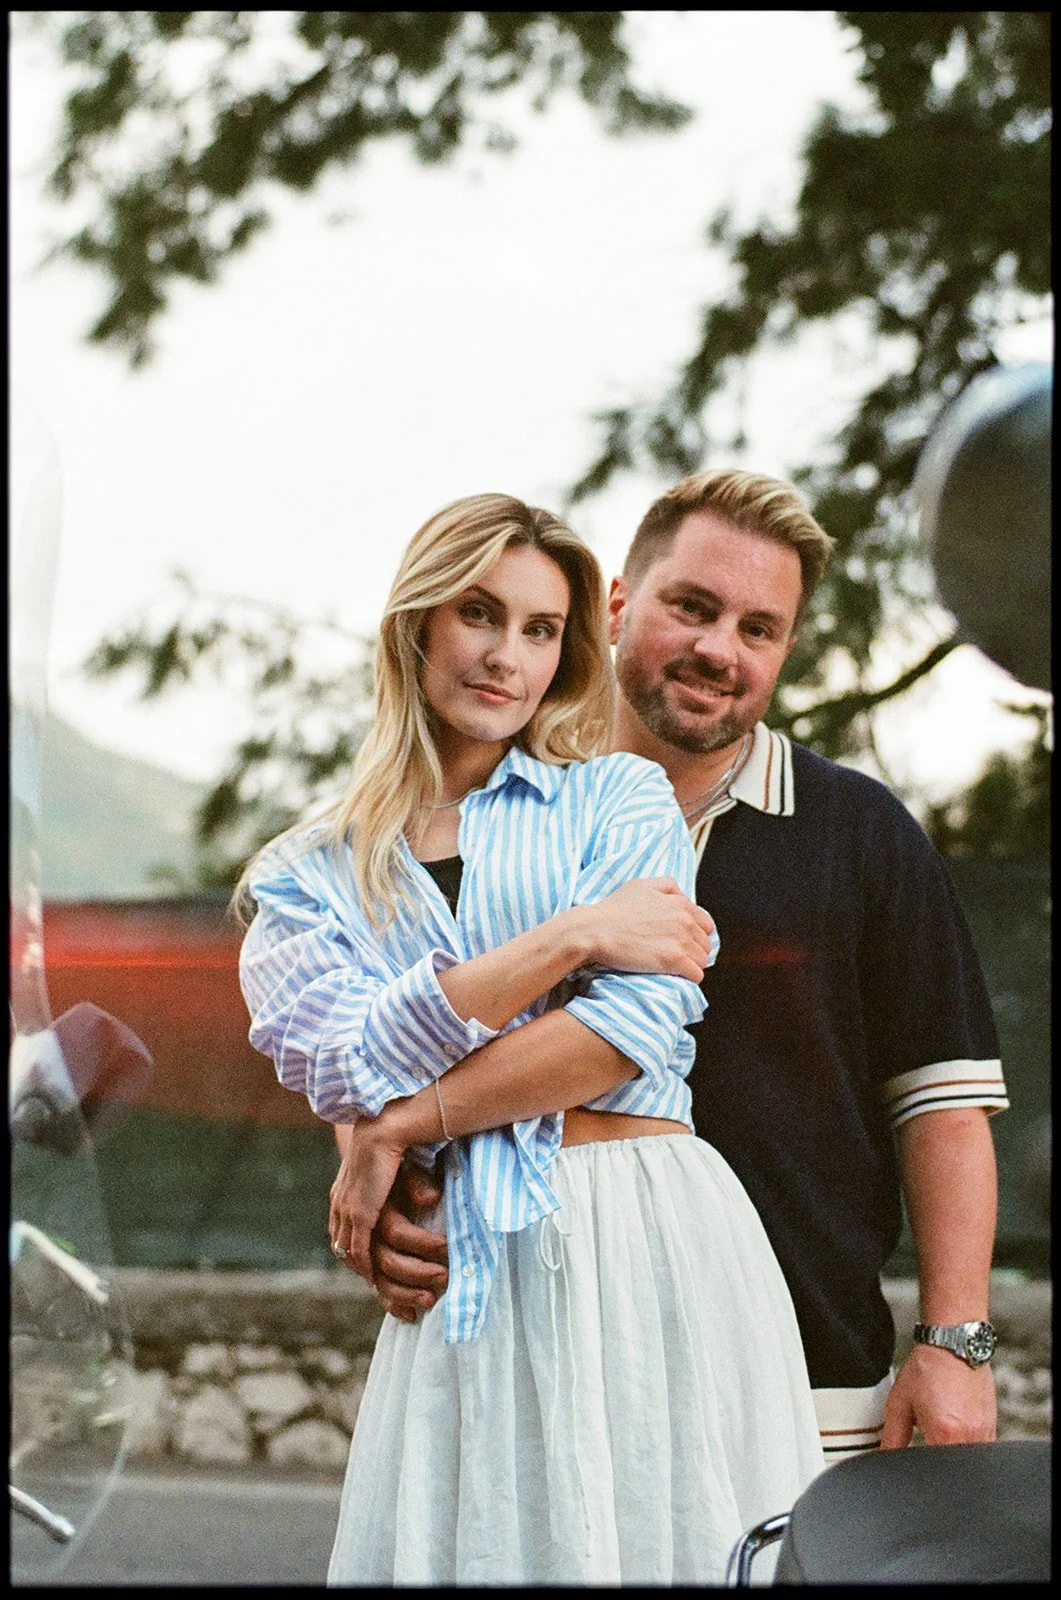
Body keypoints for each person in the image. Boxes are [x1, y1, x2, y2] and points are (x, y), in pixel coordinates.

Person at [352, 469, 1008, 1469]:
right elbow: (381, 1032)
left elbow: (942, 1110)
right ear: (616, 605)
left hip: (805, 1379)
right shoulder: (484, 816)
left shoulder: (859, 833)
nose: (718, 649)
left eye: (758, 628)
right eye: (691, 607)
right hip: (535, 1366)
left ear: (785, 650)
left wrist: (955, 1343)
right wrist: (373, 1154)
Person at [237, 492, 825, 1586]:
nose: (507, 656)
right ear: (416, 622)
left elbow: (636, 1027)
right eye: (479, 613)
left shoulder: (614, 795)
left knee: (675, 1542)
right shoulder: (304, 875)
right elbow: (345, 1057)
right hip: (464, 1262)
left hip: (649, 1232)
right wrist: (574, 936)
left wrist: (404, 1123)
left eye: (542, 629)